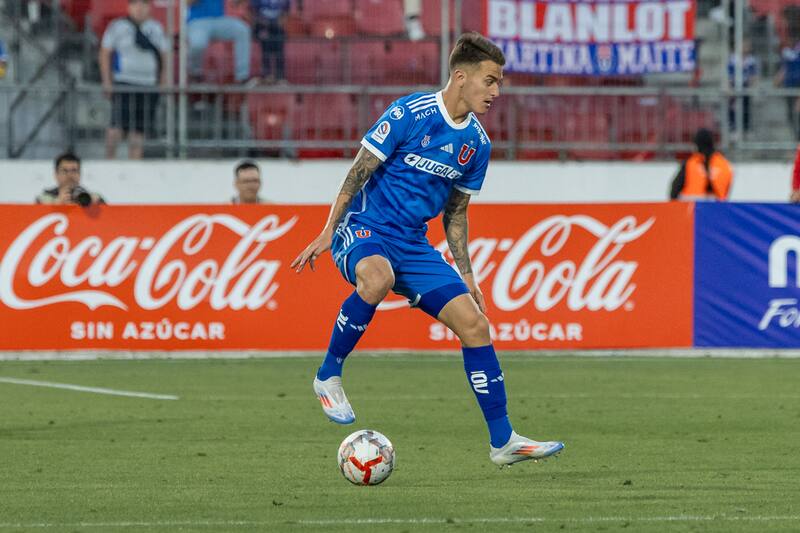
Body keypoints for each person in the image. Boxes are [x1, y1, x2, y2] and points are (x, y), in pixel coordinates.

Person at [291, 32, 564, 467]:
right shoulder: (409, 113)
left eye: (499, 83)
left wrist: (468, 275)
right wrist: (329, 230)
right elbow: (359, 170)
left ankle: (503, 441)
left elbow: (455, 213)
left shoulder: (478, 144)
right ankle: (328, 375)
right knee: (376, 279)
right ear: (461, 77)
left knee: (476, 326)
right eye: (490, 81)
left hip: (413, 245)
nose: (497, 92)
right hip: (364, 228)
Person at [99, 0, 169, 160]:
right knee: (116, 127)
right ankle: (109, 161)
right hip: (124, 82)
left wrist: (163, 81)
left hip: (148, 83)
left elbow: (164, 56)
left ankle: (135, 164)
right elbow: (105, 53)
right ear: (129, 7)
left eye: (143, 4)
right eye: (135, 4)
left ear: (148, 7)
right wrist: (107, 81)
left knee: (138, 131)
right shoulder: (117, 26)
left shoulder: (156, 28)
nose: (139, 8)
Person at [187, 0, 251, 84]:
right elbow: (187, 2)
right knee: (198, 44)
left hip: (219, 20)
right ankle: (195, 74)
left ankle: (242, 77)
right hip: (197, 21)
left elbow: (235, 3)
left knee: (242, 30)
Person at [669, 128, 733, 201]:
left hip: (692, 209)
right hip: (717, 209)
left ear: (696, 144)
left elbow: (674, 190)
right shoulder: (725, 165)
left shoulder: (690, 163)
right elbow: (726, 191)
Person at [35, 152, 105, 206]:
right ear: (56, 174)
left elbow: (109, 218)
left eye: (74, 170)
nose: (70, 175)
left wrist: (94, 206)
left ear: (80, 174)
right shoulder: (44, 199)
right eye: (65, 171)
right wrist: (56, 205)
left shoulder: (91, 197)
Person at [250, 0, 289, 82]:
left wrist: (280, 22)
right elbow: (252, 12)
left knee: (279, 40)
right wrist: (263, 22)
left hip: (277, 26)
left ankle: (280, 76)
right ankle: (266, 75)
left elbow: (286, 13)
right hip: (261, 25)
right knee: (265, 40)